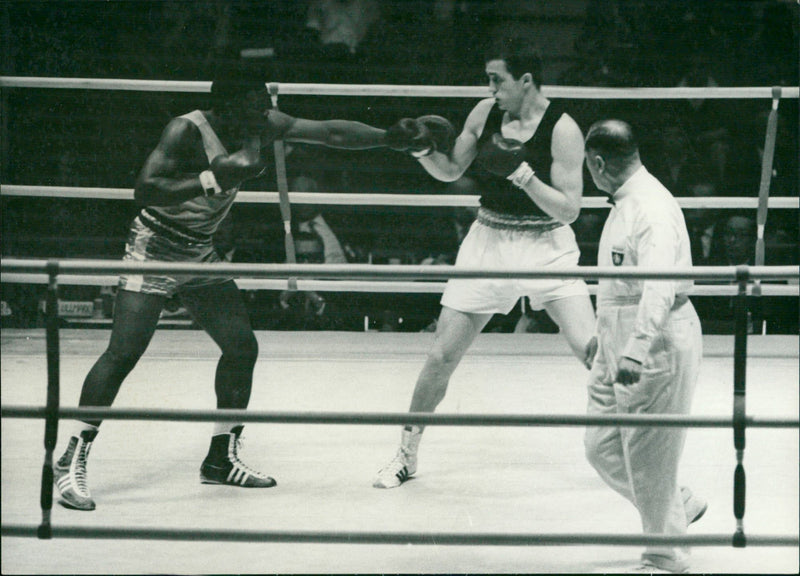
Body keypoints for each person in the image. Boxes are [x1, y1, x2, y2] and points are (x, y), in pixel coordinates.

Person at [52, 63, 426, 511]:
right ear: (226, 110)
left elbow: (331, 133)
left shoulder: (261, 123)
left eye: (266, 107)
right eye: (255, 109)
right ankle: (71, 456)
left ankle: (219, 459)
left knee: (241, 347)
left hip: (201, 249)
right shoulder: (185, 131)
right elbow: (145, 190)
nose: (265, 117)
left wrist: (388, 137)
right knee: (124, 352)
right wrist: (216, 177)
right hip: (155, 246)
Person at [373, 37, 598, 489]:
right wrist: (422, 152)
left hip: (546, 245)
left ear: (526, 80)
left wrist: (522, 173)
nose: (490, 88)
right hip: (489, 240)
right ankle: (406, 453)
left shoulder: (563, 128)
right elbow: (452, 171)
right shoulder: (483, 113)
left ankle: (640, 442)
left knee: (591, 350)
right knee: (441, 355)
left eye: (498, 80)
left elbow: (570, 209)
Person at [582, 119, 707, 573]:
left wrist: (634, 347)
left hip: (655, 340)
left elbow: (659, 286)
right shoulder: (627, 201)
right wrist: (606, 333)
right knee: (602, 446)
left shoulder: (649, 208)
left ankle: (665, 555)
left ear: (597, 162)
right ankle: (679, 507)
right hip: (624, 334)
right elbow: (622, 284)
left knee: (649, 453)